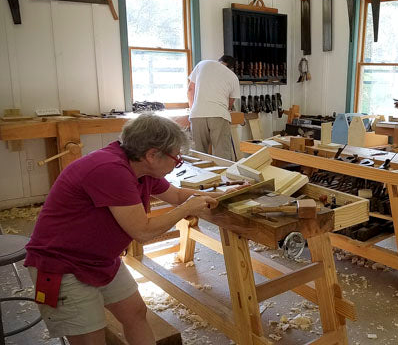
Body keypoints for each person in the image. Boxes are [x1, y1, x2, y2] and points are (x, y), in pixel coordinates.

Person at [24, 114, 239, 344]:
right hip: (63, 264)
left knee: (135, 312)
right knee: (91, 338)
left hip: (101, 259)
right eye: (175, 158)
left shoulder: (141, 168)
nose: (177, 163)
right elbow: (142, 230)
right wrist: (188, 209)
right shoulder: (111, 169)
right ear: (151, 155)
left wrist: (223, 194)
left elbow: (176, 195)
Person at [187, 55, 240, 160]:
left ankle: (201, 176)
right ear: (231, 67)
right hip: (219, 115)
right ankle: (222, 176)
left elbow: (190, 90)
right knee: (222, 155)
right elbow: (230, 103)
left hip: (197, 115)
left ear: (219, 61)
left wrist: (193, 108)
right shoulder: (233, 76)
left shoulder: (203, 64)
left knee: (198, 155)